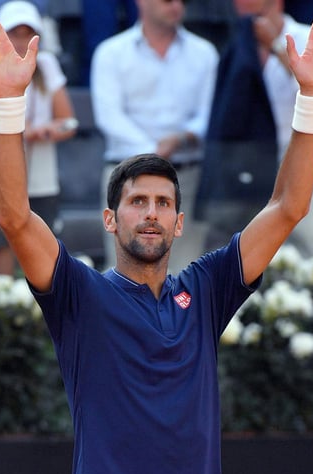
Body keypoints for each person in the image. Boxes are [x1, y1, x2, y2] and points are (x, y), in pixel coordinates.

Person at [0, 7, 313, 474]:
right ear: (109, 219)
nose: (150, 214)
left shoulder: (208, 288)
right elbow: (14, 216)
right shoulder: (79, 294)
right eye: (137, 202)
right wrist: (8, 102)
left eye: (163, 204)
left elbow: (289, 207)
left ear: (177, 222)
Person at [197, 0, 313, 259]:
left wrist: (275, 46)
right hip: (249, 165)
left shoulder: (308, 36)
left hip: (308, 159)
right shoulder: (234, 41)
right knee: (249, 260)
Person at [91, 0, 219, 273]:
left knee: (185, 275)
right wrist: (154, 155)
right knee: (123, 273)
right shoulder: (110, 52)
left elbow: (209, 114)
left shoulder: (205, 53)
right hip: (125, 177)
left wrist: (184, 137)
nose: (176, 6)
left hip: (188, 176)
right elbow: (109, 116)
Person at [0, 0, 77, 275]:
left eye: (28, 33)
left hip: (40, 183)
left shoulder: (46, 64)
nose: (22, 40)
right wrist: (19, 127)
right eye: (15, 32)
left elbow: (68, 121)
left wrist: (47, 130)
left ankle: (35, 318)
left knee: (42, 263)